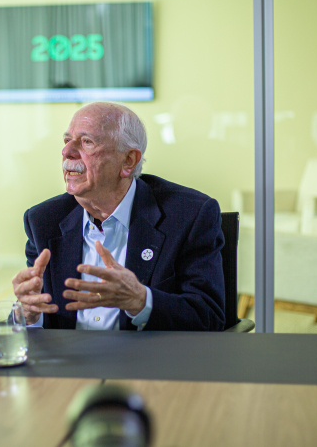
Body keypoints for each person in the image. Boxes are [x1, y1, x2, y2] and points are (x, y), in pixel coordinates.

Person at [12, 102, 225, 331]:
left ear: (128, 161)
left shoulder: (188, 216)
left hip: (147, 363)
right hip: (69, 363)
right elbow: (36, 314)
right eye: (67, 141)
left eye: (86, 142)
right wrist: (28, 314)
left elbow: (208, 315)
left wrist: (141, 301)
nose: (67, 152)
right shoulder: (44, 221)